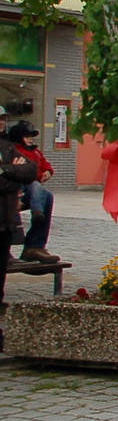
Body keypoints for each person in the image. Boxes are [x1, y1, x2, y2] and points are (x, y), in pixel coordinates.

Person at [0, 109, 40, 317]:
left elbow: (31, 171)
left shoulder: (7, 147)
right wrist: (13, 174)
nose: (1, 123)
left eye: (2, 119)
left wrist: (6, 170)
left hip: (5, 222)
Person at [6, 122, 56, 263]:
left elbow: (45, 164)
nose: (30, 139)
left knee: (47, 196)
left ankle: (35, 246)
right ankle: (6, 249)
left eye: (31, 136)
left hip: (32, 186)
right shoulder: (14, 151)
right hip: (17, 186)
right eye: (27, 136)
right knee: (33, 186)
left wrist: (47, 171)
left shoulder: (35, 151)